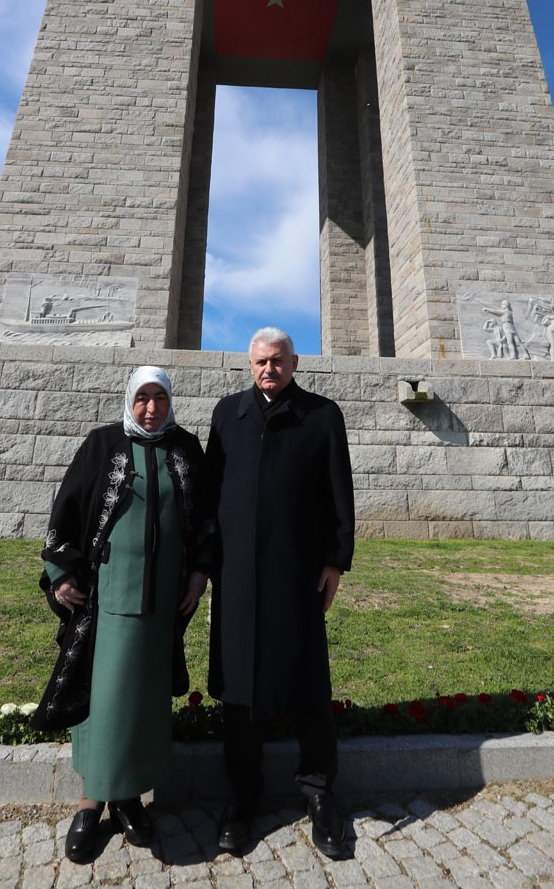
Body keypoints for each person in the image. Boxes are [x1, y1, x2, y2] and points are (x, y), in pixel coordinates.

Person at [31, 367, 213, 863]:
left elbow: (205, 518)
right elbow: (66, 510)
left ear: (169, 402)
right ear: (129, 400)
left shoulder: (185, 448)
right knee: (103, 697)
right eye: (142, 398)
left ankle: (129, 798)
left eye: (159, 398)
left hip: (163, 602)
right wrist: (62, 573)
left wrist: (200, 572)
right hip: (106, 599)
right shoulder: (102, 443)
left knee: (144, 700)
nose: (150, 408)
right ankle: (91, 804)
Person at [205, 327, 355, 859]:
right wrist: (205, 567)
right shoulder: (226, 416)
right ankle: (243, 796)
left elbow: (340, 491)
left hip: (298, 575)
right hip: (238, 576)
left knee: (309, 684)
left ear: (294, 362)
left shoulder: (322, 415)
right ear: (249, 365)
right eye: (260, 362)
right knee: (239, 691)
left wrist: (337, 562)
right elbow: (209, 496)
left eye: (278, 360)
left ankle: (319, 793)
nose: (269, 369)